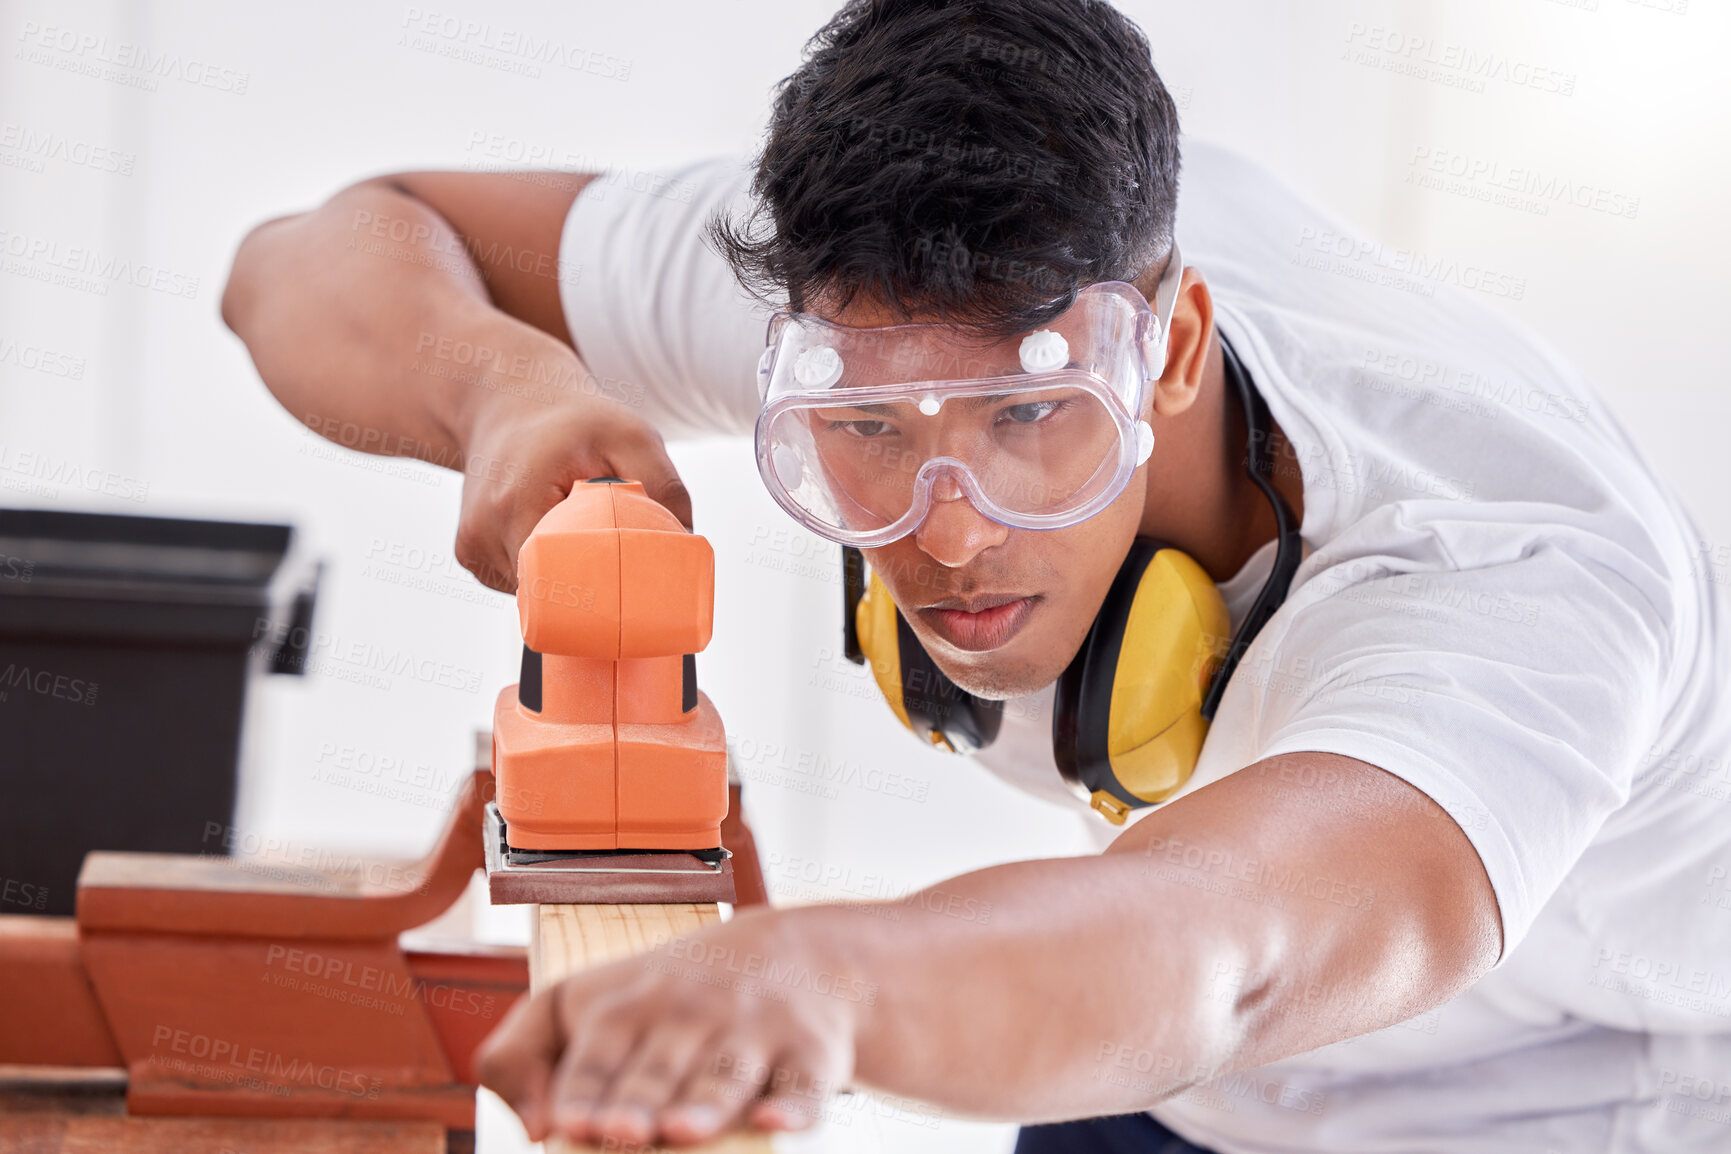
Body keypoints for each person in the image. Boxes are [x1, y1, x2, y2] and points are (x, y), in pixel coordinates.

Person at [220, 1, 1731, 1150]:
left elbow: (1221, 948)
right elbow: (305, 260)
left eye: (1029, 420)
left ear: (1175, 343)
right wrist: (499, 391)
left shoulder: (1520, 578)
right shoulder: (861, 284)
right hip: (1186, 1068)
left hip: (1574, 1089)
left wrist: (829, 982)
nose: (947, 530)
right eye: (864, 432)